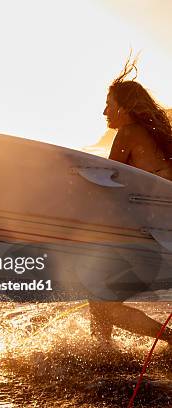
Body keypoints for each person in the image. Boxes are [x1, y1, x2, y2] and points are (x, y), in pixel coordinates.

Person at [89, 59, 172, 344]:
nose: (104, 111)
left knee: (104, 303)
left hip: (144, 236)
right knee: (97, 294)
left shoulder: (128, 133)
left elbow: (105, 185)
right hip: (159, 234)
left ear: (123, 108)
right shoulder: (156, 138)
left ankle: (169, 338)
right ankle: (103, 351)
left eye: (109, 103)